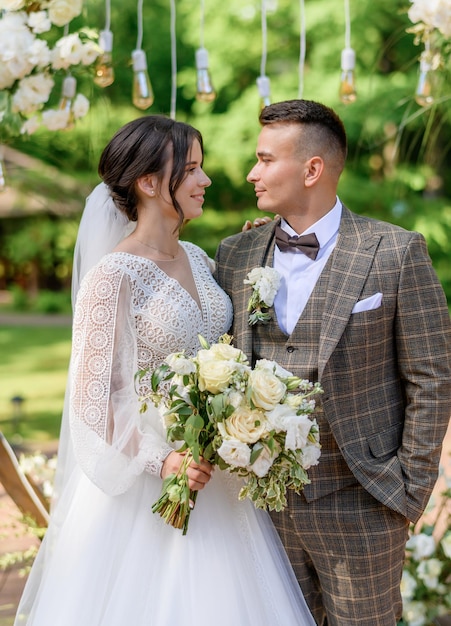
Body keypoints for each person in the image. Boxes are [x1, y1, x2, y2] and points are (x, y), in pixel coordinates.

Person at [14, 115, 316, 626]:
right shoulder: (111, 277)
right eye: (193, 169)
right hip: (148, 485)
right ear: (150, 183)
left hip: (215, 476)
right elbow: (95, 403)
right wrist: (164, 461)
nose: (206, 181)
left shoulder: (200, 258)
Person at [214, 99, 451, 626]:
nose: (252, 173)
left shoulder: (395, 252)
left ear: (312, 168)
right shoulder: (236, 253)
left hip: (363, 502)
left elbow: (432, 376)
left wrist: (406, 492)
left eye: (265, 159)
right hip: (258, 511)